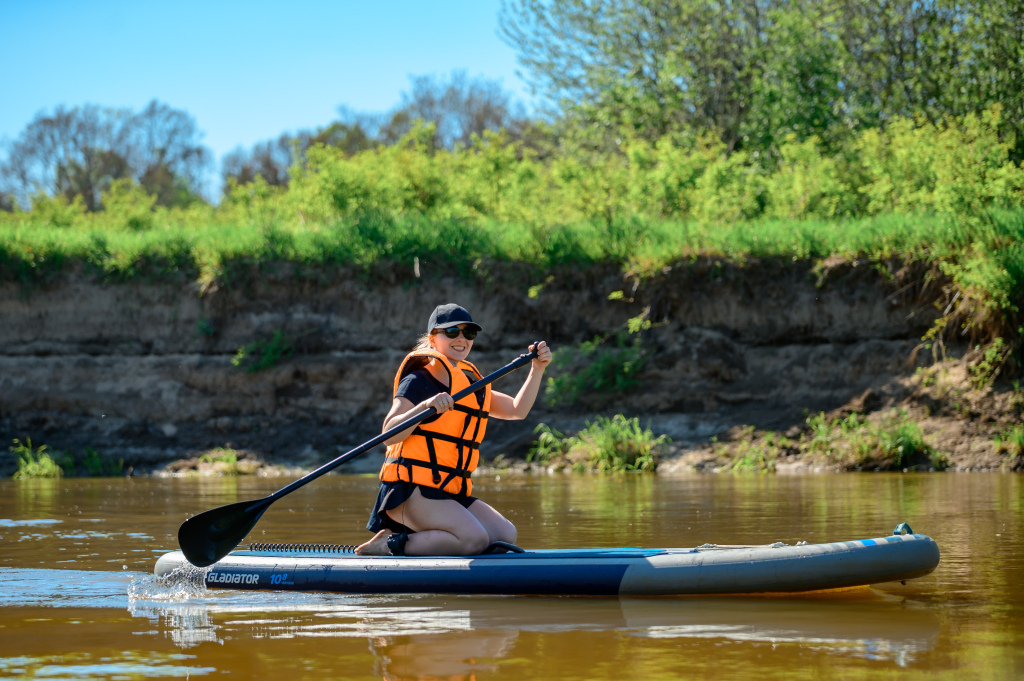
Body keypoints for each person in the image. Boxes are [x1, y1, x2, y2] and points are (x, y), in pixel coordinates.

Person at [356, 303, 552, 556]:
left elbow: (516, 409)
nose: (461, 339)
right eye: (452, 332)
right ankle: (390, 543)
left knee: (504, 534)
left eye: (468, 334)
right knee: (475, 539)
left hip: (446, 490)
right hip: (409, 491)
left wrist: (537, 370)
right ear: (432, 338)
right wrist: (425, 405)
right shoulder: (418, 380)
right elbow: (389, 432)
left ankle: (428, 541)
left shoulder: (470, 384)